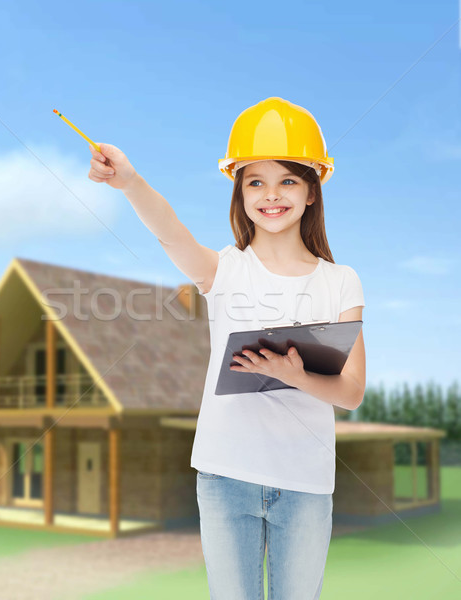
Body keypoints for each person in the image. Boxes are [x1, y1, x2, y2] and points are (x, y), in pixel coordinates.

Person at [87, 96, 366, 600]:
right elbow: (169, 233)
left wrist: (294, 374)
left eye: (286, 181)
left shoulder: (341, 282)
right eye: (255, 181)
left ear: (311, 190)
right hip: (225, 475)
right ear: (239, 192)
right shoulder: (224, 269)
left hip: (305, 484)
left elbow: (350, 393)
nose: (270, 195)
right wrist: (129, 181)